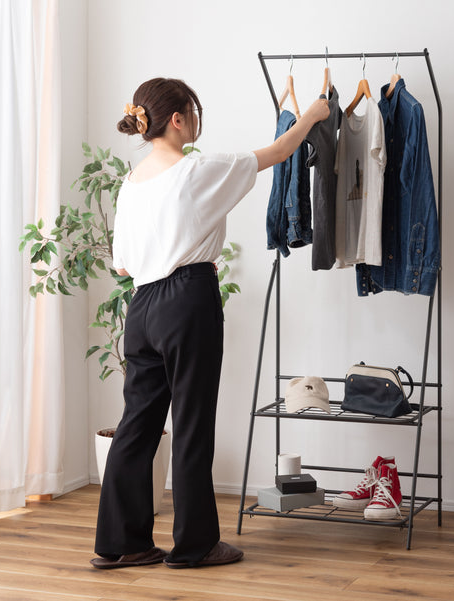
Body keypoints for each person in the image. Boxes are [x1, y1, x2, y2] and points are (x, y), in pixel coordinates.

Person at [90, 77, 329, 570]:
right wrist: (313, 116)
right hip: (186, 300)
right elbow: (281, 150)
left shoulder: (131, 183)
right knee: (193, 424)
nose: (198, 121)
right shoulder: (198, 169)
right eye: (194, 112)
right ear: (178, 119)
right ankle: (195, 545)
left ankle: (122, 544)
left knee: (137, 424)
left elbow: (122, 266)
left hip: (142, 306)